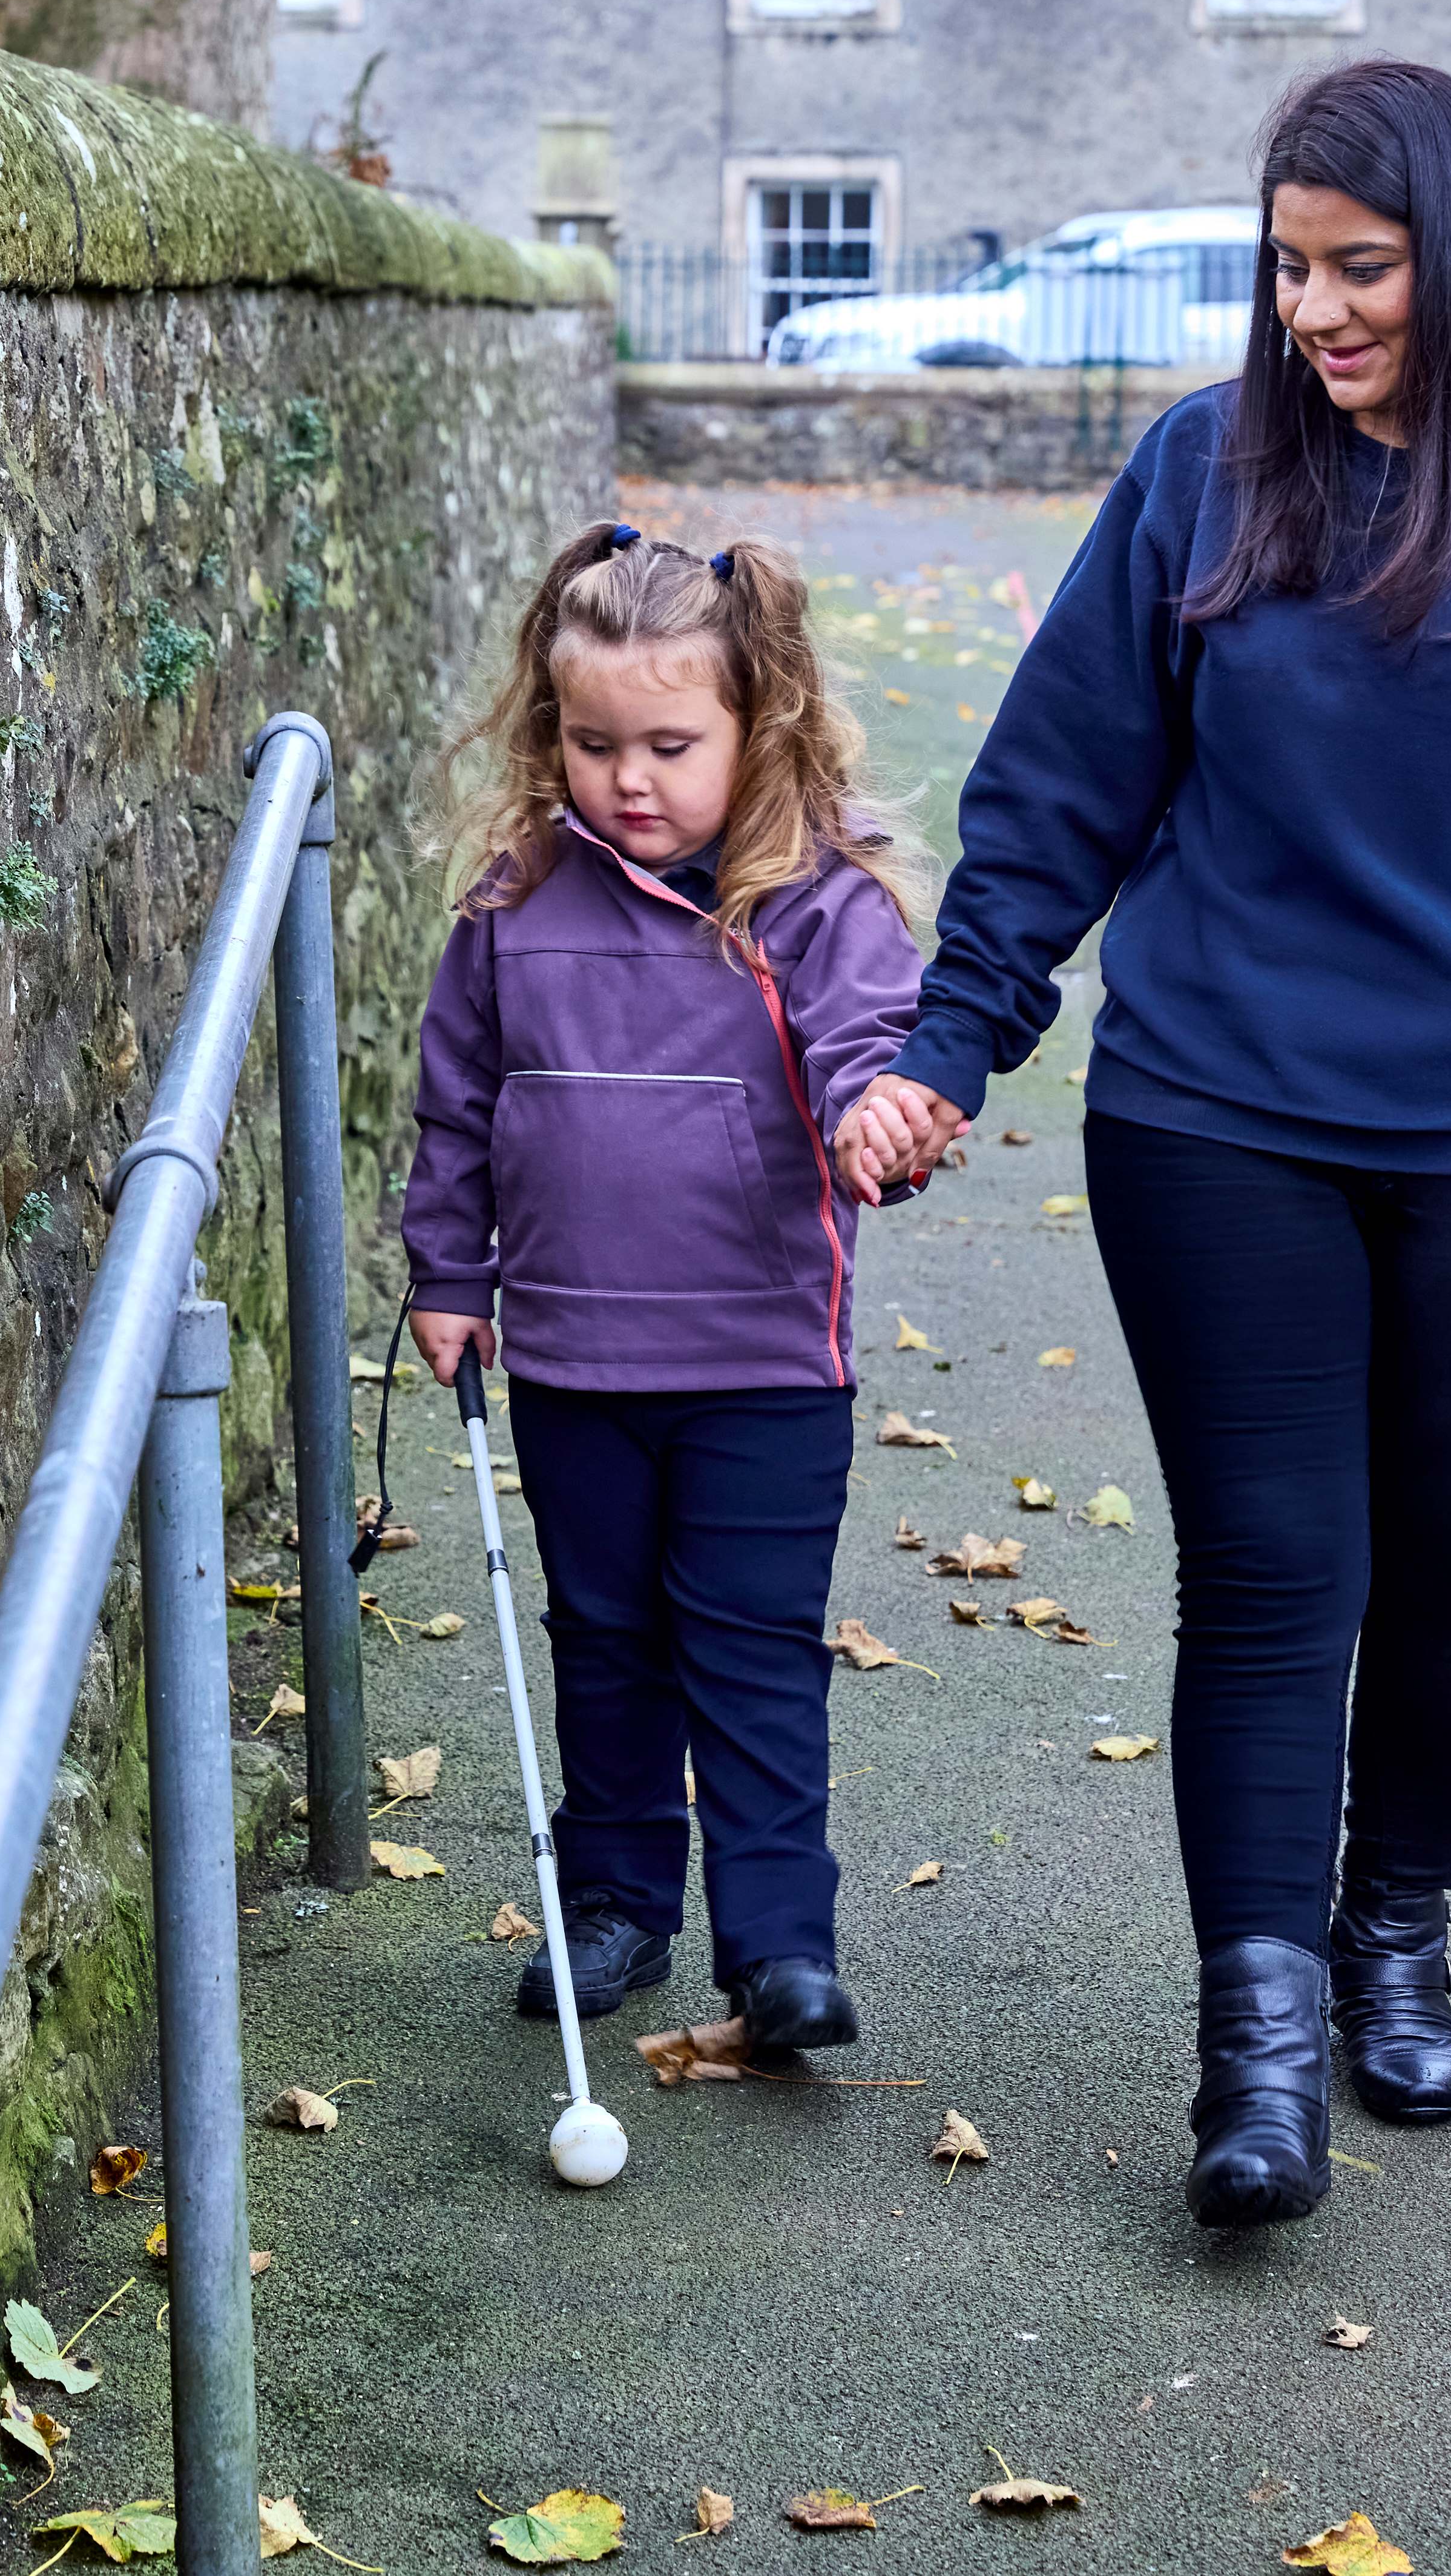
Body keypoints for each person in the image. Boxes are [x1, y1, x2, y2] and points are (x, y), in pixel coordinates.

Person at [837, 61, 1451, 2225]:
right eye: (1286, 268)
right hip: (1220, 1115)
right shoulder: (1202, 476)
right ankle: (1252, 2050)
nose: (1314, 309)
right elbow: (1058, 787)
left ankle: (1393, 1926)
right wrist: (952, 1046)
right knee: (1271, 1578)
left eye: (1358, 268)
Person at [406, 521, 927, 2055]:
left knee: (754, 1652)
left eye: (668, 745)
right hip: (573, 1362)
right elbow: (456, 1103)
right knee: (607, 1636)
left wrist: (875, 1118)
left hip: (762, 1361)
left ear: (758, 725)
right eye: (592, 743)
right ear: (548, 730)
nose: (627, 779)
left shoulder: (810, 901)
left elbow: (866, 1056)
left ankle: (778, 1944)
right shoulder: (516, 901)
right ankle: (617, 1900)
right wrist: (448, 1269)